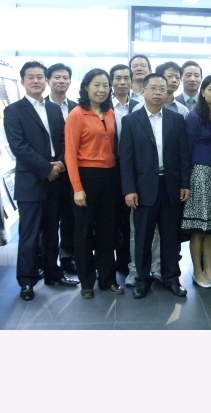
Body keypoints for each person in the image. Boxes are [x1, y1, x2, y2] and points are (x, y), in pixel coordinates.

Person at [3, 61, 79, 301]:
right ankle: (27, 281)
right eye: (30, 77)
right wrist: (46, 168)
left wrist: (61, 164)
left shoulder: (55, 110)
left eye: (39, 77)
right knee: (30, 234)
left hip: (56, 180)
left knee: (52, 231)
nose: (35, 81)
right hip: (31, 182)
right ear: (22, 81)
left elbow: (65, 141)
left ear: (45, 81)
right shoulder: (14, 111)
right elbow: (19, 146)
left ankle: (52, 273)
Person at [120, 73, 191, 299]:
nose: (158, 92)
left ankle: (171, 278)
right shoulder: (131, 121)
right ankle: (142, 280)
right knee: (143, 237)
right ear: (143, 91)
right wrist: (129, 189)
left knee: (170, 236)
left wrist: (185, 183)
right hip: (143, 188)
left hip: (170, 186)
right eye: (153, 88)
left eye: (162, 88)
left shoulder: (176, 119)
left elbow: (183, 155)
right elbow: (126, 159)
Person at [65, 69, 123, 299]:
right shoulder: (77, 114)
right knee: (84, 232)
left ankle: (108, 279)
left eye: (105, 85)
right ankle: (87, 281)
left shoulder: (110, 113)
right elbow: (70, 154)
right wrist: (77, 188)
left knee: (108, 230)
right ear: (86, 87)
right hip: (86, 177)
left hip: (110, 178)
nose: (102, 89)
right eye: (96, 85)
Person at [180, 75, 211, 288]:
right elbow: (185, 151)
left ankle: (209, 270)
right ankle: (198, 271)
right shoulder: (194, 117)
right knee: (198, 227)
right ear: (203, 92)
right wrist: (185, 181)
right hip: (199, 175)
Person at [45, 63, 78, 275]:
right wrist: (50, 165)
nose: (61, 81)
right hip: (45, 172)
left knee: (69, 217)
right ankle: (46, 261)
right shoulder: (39, 106)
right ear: (48, 80)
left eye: (65, 77)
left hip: (70, 170)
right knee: (48, 220)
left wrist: (62, 162)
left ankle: (68, 257)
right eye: (57, 77)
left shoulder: (76, 107)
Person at [110, 64, 139, 275]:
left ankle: (126, 261)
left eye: (126, 78)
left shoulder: (139, 106)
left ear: (132, 81)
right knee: (111, 216)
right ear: (111, 82)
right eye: (117, 78)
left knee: (129, 217)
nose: (122, 82)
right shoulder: (103, 106)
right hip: (108, 168)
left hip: (133, 168)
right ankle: (108, 262)